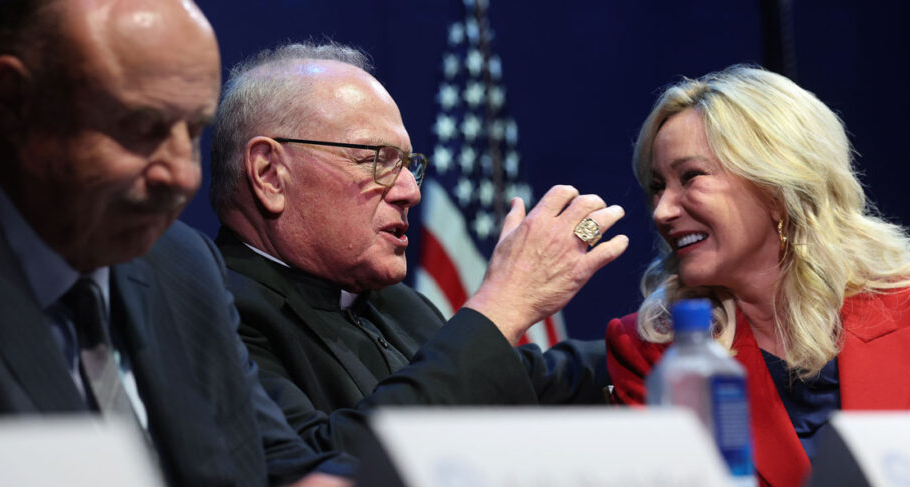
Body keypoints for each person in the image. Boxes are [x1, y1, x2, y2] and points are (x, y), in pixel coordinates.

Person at [0, 1, 351, 487]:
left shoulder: (183, 264)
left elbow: (281, 472)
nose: (181, 176)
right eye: (143, 127)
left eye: (194, 131)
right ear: (15, 103)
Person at [208, 42, 628, 453]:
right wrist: (500, 308)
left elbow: (538, 382)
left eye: (409, 165)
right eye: (376, 158)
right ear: (269, 174)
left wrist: (664, 327)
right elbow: (314, 472)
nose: (410, 191)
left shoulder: (398, 306)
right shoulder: (213, 313)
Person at [605, 65, 910, 487]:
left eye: (690, 177)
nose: (662, 210)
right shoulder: (652, 351)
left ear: (776, 186)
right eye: (656, 187)